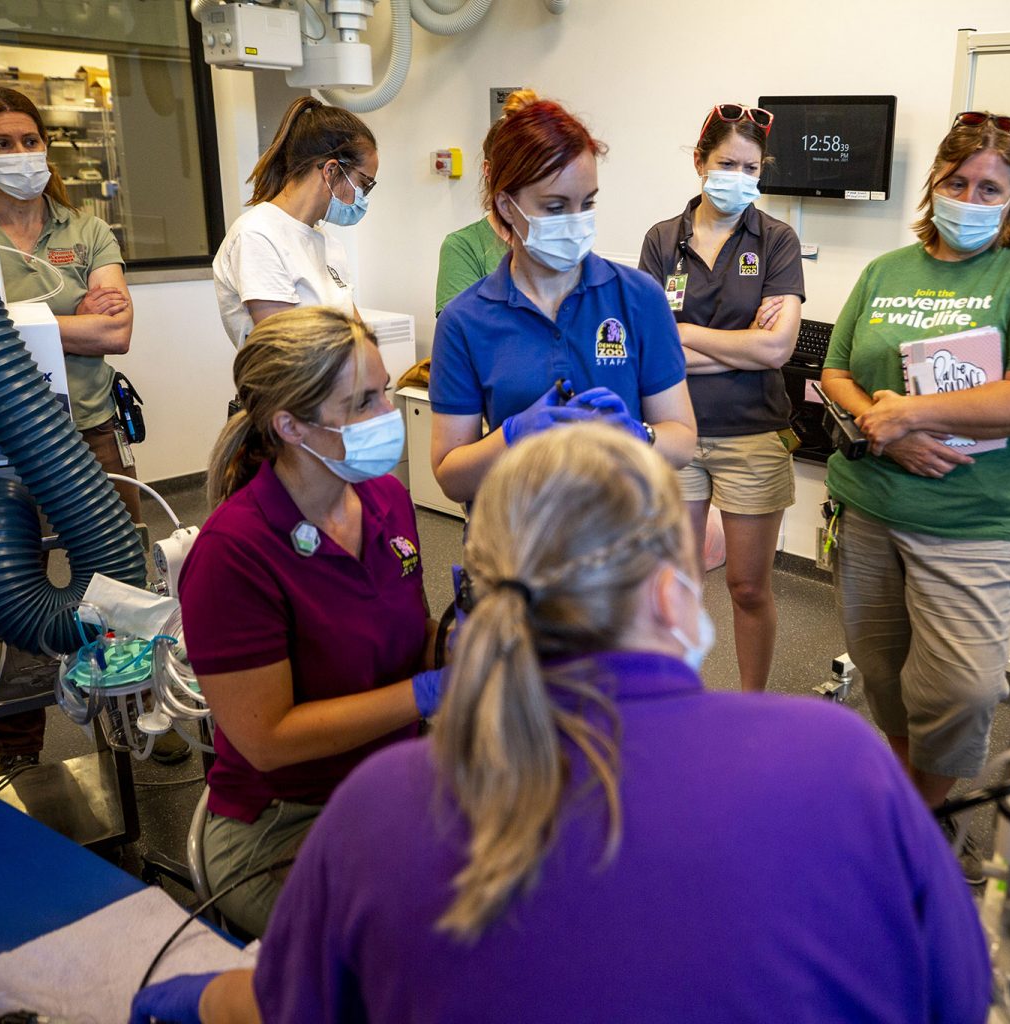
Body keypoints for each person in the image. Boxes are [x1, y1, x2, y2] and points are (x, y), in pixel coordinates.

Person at [131, 424, 992, 1024]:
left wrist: (178, 1000)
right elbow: (958, 997)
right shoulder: (840, 759)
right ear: (668, 589)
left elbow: (293, 1007)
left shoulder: (384, 809)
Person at [821, 111, 1010, 834]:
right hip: (872, 504)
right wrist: (889, 433)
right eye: (957, 181)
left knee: (963, 688)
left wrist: (915, 415)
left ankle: (918, 822)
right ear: (934, 184)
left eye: (990, 188)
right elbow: (837, 371)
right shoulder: (885, 271)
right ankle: (912, 803)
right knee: (883, 671)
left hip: (972, 520)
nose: (970, 198)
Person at [177, 307, 442, 937]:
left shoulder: (385, 499)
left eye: (386, 391)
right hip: (285, 820)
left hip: (394, 783)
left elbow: (411, 636)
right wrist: (428, 693)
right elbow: (269, 738)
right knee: (420, 945)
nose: (389, 414)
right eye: (363, 403)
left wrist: (471, 637)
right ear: (291, 425)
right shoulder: (233, 553)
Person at [0, 84, 143, 775]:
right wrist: (71, 323)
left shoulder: (87, 231)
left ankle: (133, 724)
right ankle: (20, 753)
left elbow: (118, 331)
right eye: (3, 144)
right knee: (12, 602)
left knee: (122, 587)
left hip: (90, 434)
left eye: (30, 140)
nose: (23, 155)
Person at [430, 94, 695, 503]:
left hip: (625, 543)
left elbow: (681, 440)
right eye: (555, 207)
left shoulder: (639, 299)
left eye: (587, 203)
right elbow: (451, 477)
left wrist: (634, 436)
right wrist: (515, 436)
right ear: (506, 205)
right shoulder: (465, 320)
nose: (575, 222)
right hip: (517, 544)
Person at [639, 103, 805, 692]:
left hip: (753, 432)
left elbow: (777, 351)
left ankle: (751, 704)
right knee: (678, 579)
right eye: (726, 163)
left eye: (750, 166)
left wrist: (685, 335)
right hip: (673, 427)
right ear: (699, 163)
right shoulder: (662, 240)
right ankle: (678, 696)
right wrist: (741, 343)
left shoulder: (778, 240)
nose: (738, 175)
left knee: (748, 586)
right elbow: (653, 352)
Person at [212, 97, 375, 347]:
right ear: (331, 170)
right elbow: (290, 351)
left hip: (340, 383)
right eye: (363, 184)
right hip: (295, 387)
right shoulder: (257, 235)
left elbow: (359, 339)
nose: (363, 197)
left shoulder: (327, 244)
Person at [432, 90, 531, 315]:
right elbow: (464, 336)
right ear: (489, 170)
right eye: (514, 167)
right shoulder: (464, 247)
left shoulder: (555, 242)